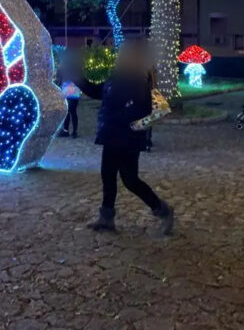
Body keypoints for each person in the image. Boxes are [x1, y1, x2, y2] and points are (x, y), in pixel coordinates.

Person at [74, 41, 174, 235]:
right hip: (112, 134)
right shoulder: (116, 78)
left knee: (130, 179)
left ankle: (163, 210)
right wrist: (77, 77)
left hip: (128, 138)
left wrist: (130, 123)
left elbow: (143, 110)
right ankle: (106, 218)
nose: (120, 57)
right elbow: (97, 91)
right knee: (108, 175)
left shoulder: (139, 82)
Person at [56, 52, 82, 138]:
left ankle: (69, 131)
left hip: (68, 89)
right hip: (73, 89)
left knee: (69, 111)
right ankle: (71, 131)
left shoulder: (63, 67)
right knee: (71, 111)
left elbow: (58, 79)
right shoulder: (77, 67)